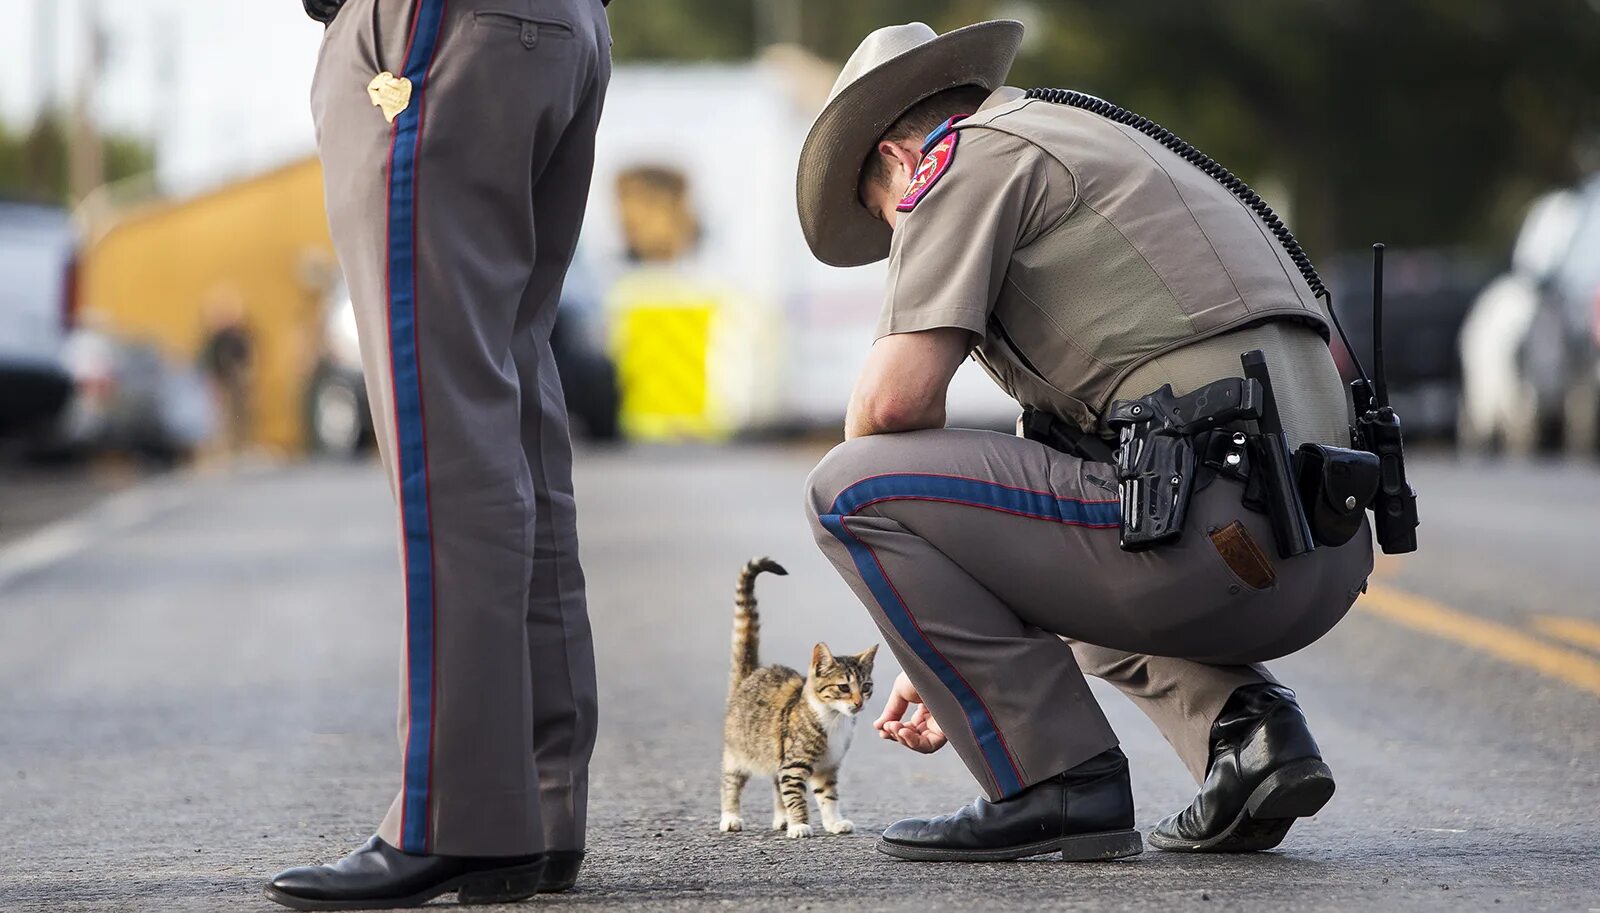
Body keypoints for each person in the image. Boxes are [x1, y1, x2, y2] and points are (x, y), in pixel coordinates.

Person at [797, 21, 1374, 862]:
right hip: (1324, 547)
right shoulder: (1093, 134)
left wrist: (927, 637)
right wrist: (948, 618)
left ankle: (1056, 780)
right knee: (1057, 509)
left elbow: (887, 411)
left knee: (847, 486)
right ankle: (1248, 731)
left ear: (896, 159)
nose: (904, 246)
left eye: (891, 226)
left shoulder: (958, 162)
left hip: (1218, 533)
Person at [266, 0, 612, 908]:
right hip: (560, 29)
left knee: (441, 432)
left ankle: (456, 816)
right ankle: (534, 801)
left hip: (434, 31)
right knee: (511, 403)